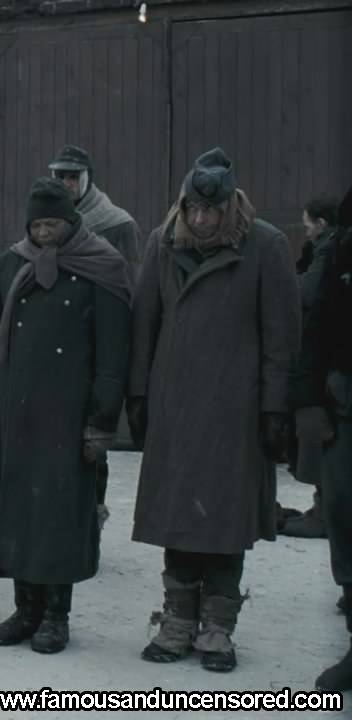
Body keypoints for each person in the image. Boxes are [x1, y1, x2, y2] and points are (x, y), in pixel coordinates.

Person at [129, 148, 300, 673]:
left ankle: (218, 626)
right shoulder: (162, 243)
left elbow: (281, 336)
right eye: (193, 209)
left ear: (230, 206)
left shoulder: (264, 246)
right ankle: (178, 619)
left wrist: (275, 409)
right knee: (178, 517)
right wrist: (138, 394)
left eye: (211, 210)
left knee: (225, 521)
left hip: (235, 411)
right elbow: (144, 323)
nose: (201, 220)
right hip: (175, 407)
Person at [0, 178, 132, 654]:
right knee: (18, 507)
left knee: (57, 513)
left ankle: (56, 615)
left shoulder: (102, 266)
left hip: (68, 411)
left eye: (52, 225)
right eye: (36, 225)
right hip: (14, 405)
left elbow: (113, 351)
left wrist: (101, 420)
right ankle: (25, 609)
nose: (43, 234)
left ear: (71, 222)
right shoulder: (11, 262)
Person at [48, 144, 143, 526]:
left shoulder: (116, 224)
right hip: (54, 346)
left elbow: (129, 287)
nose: (67, 183)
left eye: (73, 177)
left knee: (92, 439)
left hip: (95, 345)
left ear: (88, 179)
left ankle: (90, 521)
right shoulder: (46, 221)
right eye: (60, 176)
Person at [298, 187, 352, 692]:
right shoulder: (341, 247)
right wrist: (312, 401)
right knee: (344, 514)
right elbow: (317, 322)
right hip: (345, 402)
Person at [281, 194, 341, 539]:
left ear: (321, 224)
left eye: (308, 226)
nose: (305, 232)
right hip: (322, 358)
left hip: (321, 359)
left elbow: (306, 293)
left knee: (319, 433)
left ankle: (325, 513)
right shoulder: (324, 251)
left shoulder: (328, 251)